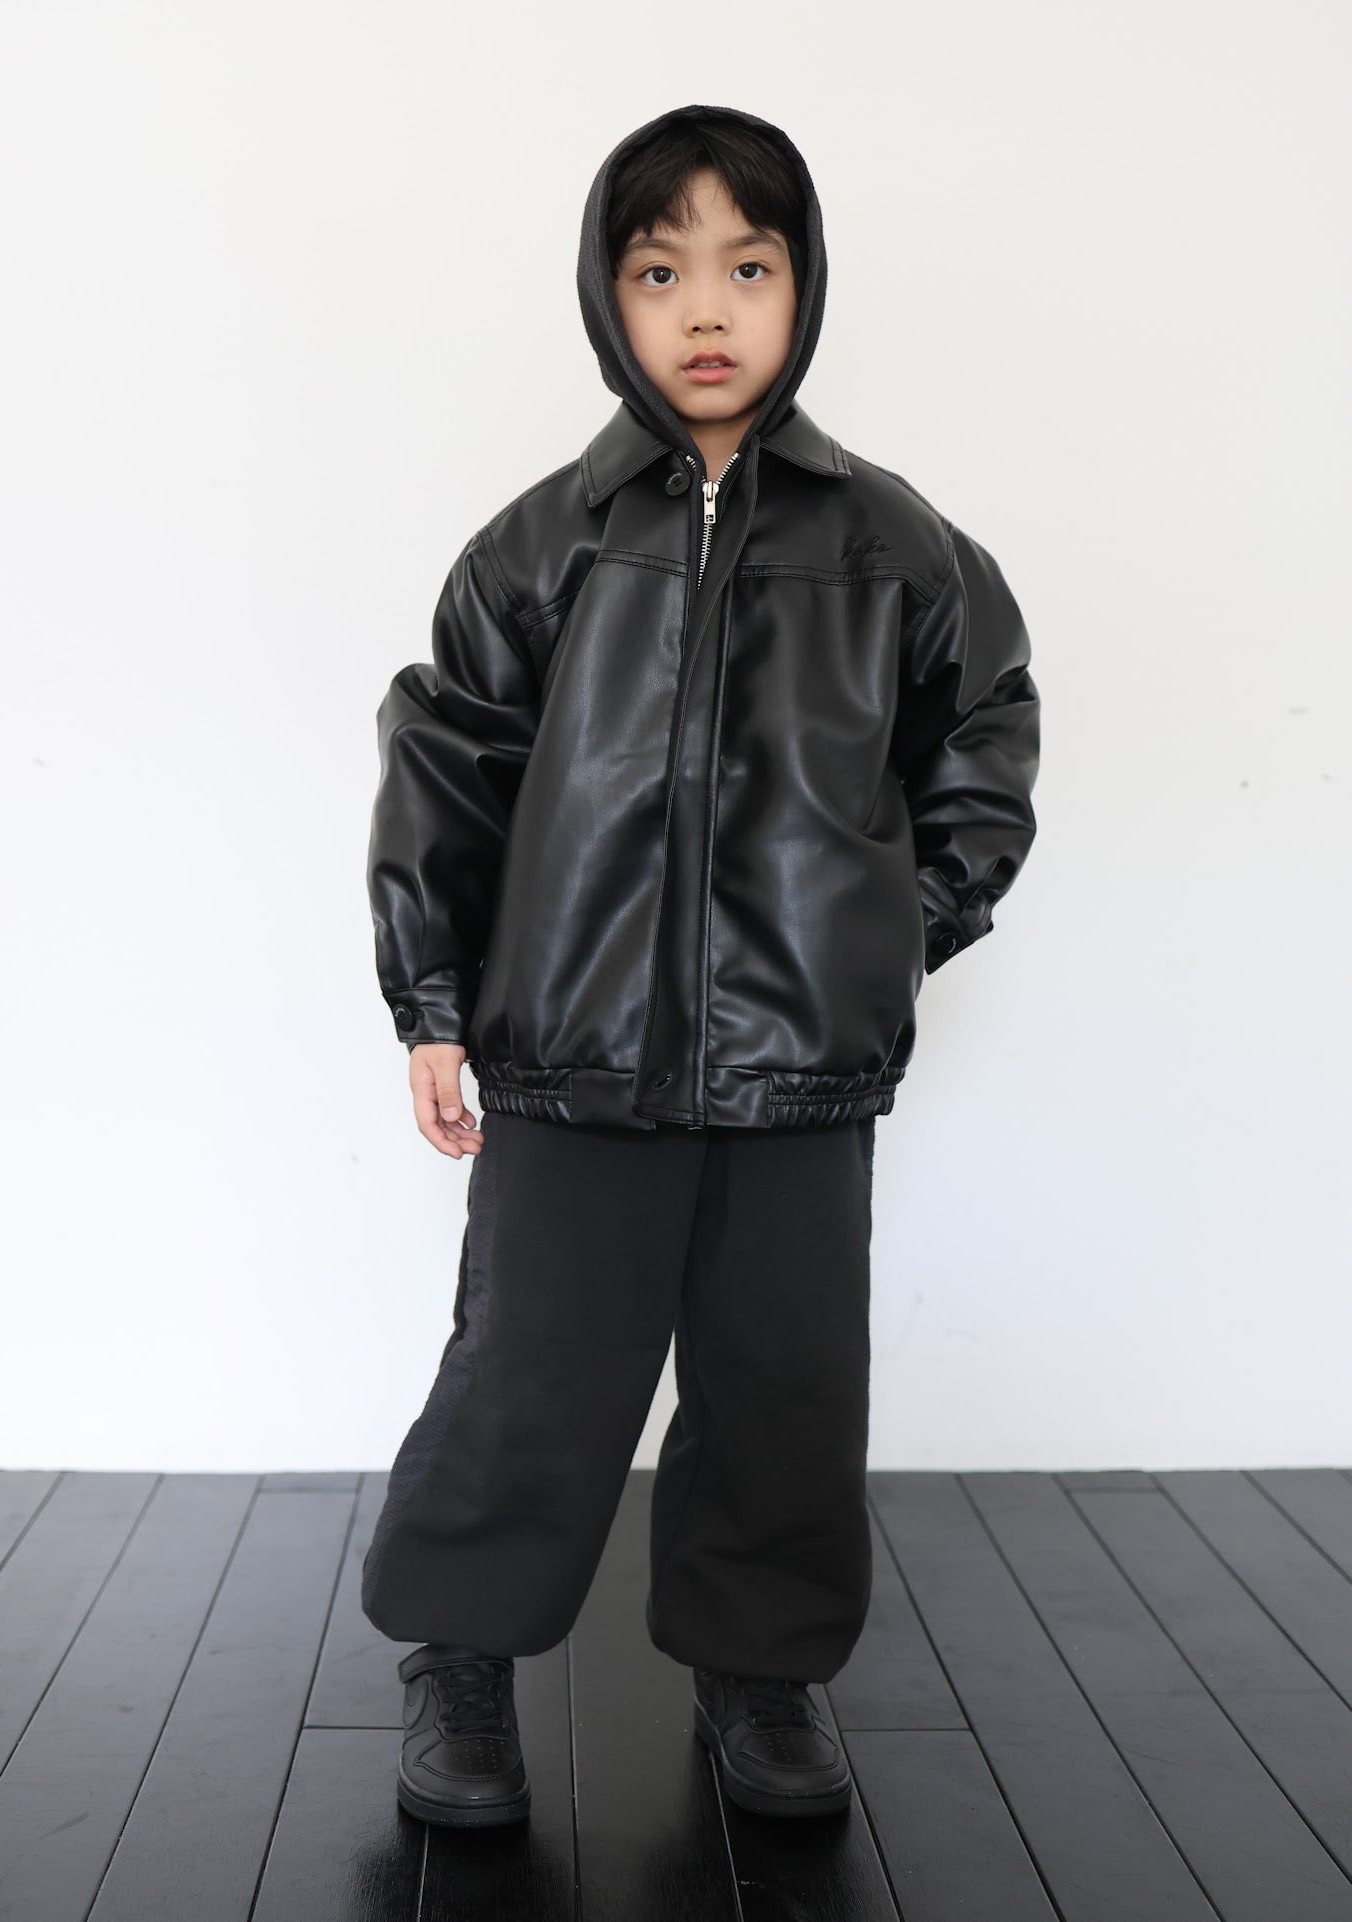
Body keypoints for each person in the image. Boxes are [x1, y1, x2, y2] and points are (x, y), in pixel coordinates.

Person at [360, 102, 1040, 1829]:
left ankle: (760, 1670)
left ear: (805, 288)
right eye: (661, 272)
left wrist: (892, 927)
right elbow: (445, 770)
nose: (708, 309)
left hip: (798, 1064)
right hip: (566, 1049)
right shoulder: (543, 545)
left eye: (749, 266)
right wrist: (432, 1001)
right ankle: (459, 1657)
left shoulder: (889, 545)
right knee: (528, 1373)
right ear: (609, 297)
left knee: (781, 1384)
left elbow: (981, 734)